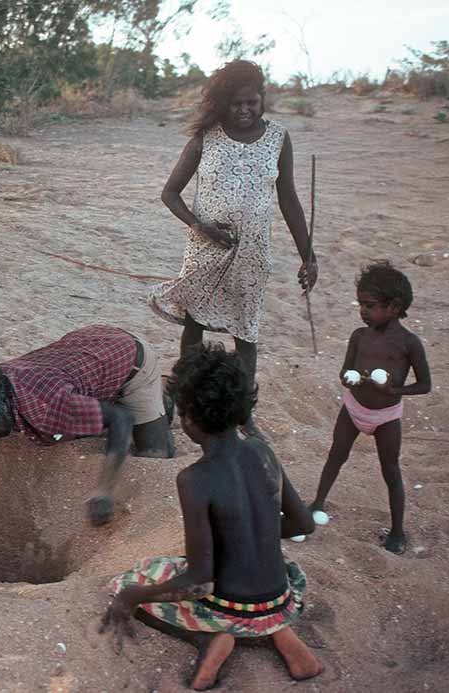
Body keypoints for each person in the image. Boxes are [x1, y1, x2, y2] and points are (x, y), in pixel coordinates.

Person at [99, 343, 322, 690]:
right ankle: (280, 633)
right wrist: (250, 535)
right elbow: (303, 524)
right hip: (280, 598)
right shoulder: (262, 451)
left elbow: (200, 582)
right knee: (262, 577)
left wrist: (132, 597)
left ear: (188, 418)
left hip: (231, 607)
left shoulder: (195, 479)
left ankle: (209, 639)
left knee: (133, 581)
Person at [148, 59, 317, 440]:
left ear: (262, 98)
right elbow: (170, 193)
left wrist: (308, 255)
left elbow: (289, 201)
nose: (244, 110)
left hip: (253, 252)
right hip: (205, 249)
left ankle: (242, 415)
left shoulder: (278, 139)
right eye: (236, 103)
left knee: (246, 331)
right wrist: (200, 226)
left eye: (251, 102)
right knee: (194, 325)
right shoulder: (206, 138)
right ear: (224, 103)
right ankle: (184, 400)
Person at [0, 325, 176, 526]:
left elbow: (121, 419)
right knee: (73, 424)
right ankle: (120, 400)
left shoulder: (49, 407)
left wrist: (104, 489)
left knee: (154, 454)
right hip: (86, 351)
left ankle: (161, 399)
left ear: (4, 412)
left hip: (129, 358)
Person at [309, 261, 431, 555]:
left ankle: (397, 531)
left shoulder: (409, 344)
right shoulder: (359, 336)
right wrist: (349, 379)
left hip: (386, 416)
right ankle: (317, 502)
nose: (362, 311)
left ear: (394, 306)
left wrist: (393, 391)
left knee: (390, 470)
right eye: (361, 304)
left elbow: (424, 384)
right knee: (336, 455)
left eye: (370, 305)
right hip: (353, 408)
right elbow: (345, 371)